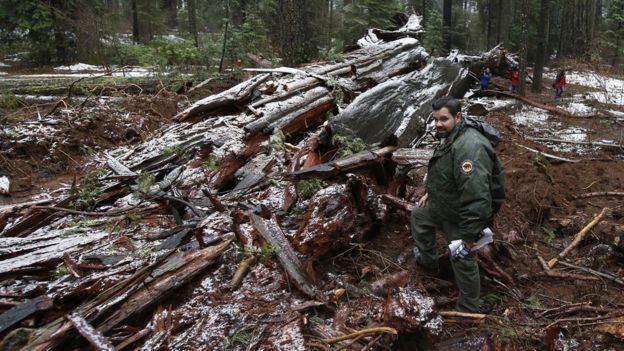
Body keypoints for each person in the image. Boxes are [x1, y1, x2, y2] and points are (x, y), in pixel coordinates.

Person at [410, 97, 505, 313]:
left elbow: (477, 197)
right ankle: (429, 262)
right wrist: (430, 192)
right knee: (419, 215)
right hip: (445, 204)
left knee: (461, 257)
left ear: (459, 117)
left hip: (462, 215)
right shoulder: (452, 135)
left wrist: (469, 236)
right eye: (435, 120)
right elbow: (445, 169)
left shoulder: (470, 147)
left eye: (443, 119)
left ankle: (469, 308)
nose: (438, 124)